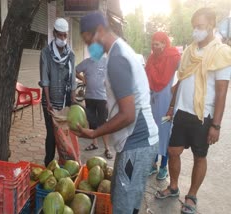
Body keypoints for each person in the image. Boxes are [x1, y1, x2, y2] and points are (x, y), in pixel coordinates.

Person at [77, 12, 158, 214]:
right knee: (122, 199)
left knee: (124, 207)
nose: (89, 47)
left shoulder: (117, 58)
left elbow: (128, 114)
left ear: (101, 31)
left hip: (137, 143)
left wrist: (95, 133)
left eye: (88, 40)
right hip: (132, 143)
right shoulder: (119, 51)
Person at [155, 8, 231, 214]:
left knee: (199, 156)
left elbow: (222, 93)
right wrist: (172, 106)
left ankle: (192, 196)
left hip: (202, 116)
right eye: (194, 27)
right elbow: (181, 79)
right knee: (173, 152)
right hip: (182, 112)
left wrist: (216, 125)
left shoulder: (221, 53)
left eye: (201, 27)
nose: (196, 31)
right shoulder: (189, 51)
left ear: (212, 27)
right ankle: (173, 186)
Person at [39, 18, 76, 167]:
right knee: (52, 135)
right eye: (59, 35)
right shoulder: (46, 53)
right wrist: (48, 102)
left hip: (65, 101)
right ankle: (48, 163)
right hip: (49, 101)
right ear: (54, 33)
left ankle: (64, 164)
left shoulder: (71, 54)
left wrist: (72, 100)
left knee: (64, 134)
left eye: (64, 35)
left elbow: (73, 80)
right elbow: (45, 79)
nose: (62, 39)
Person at [145, 32, 181, 180]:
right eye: (153, 43)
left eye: (158, 43)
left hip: (167, 105)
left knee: (166, 133)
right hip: (152, 103)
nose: (155, 45)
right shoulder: (151, 59)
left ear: (165, 43)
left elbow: (185, 73)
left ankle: (163, 167)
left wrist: (176, 88)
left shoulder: (173, 57)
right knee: (153, 133)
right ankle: (153, 165)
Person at [76, 57, 113, 159]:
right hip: (89, 97)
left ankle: (107, 148)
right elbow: (75, 71)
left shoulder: (106, 61)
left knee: (104, 124)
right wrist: (82, 78)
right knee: (92, 122)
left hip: (103, 98)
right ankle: (95, 144)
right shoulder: (86, 62)